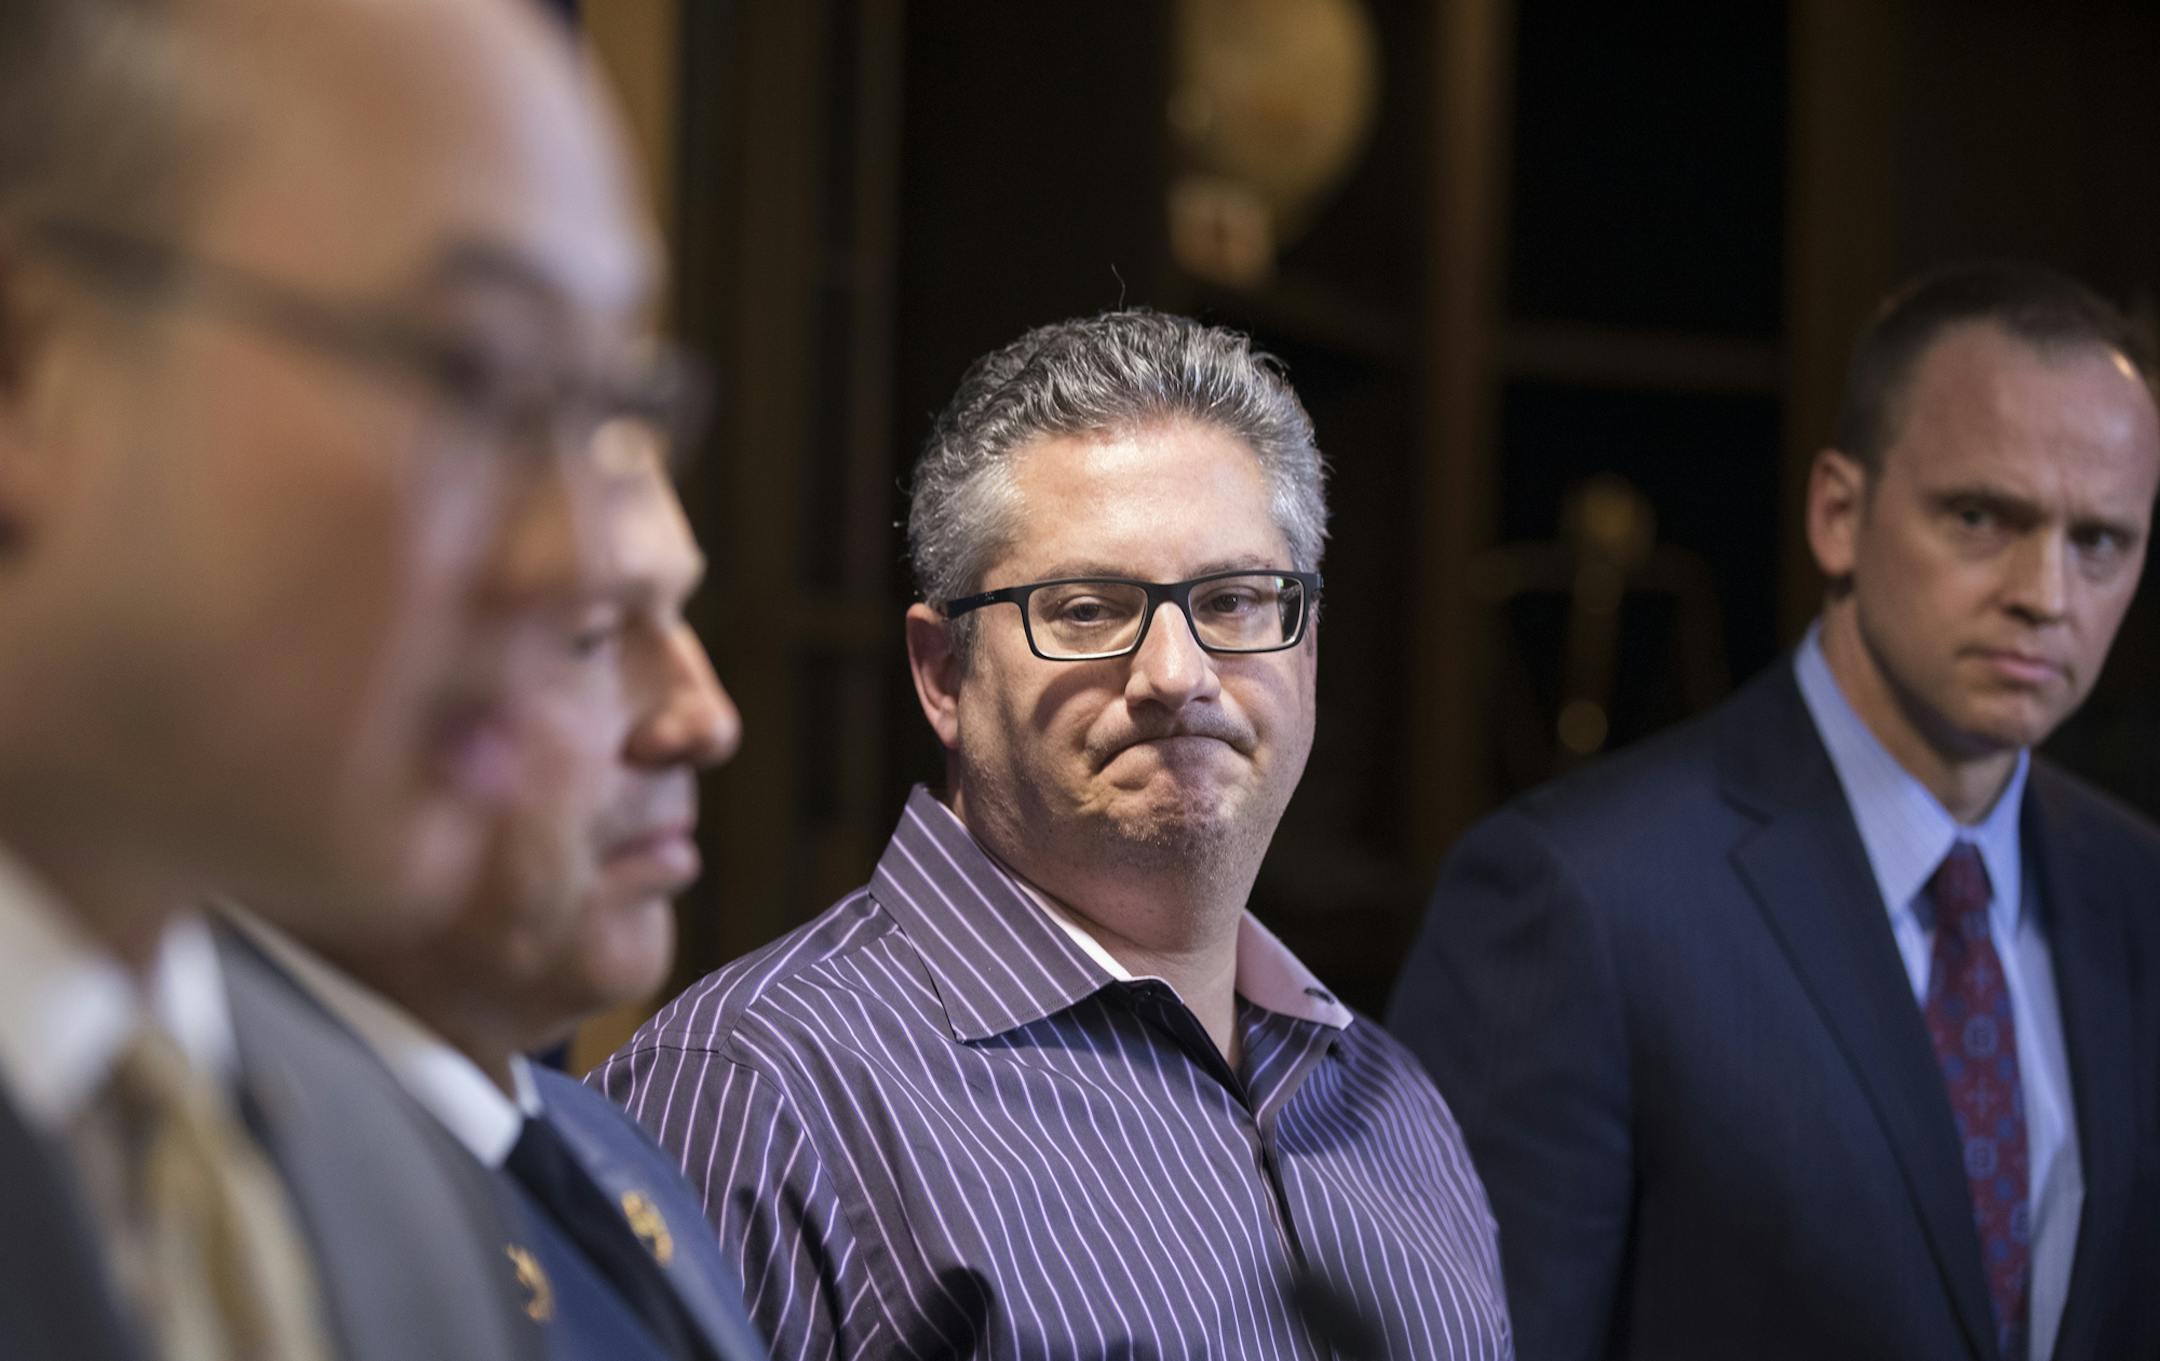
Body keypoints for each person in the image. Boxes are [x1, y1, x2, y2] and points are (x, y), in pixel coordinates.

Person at [600, 310, 1514, 1361]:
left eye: (1233, 598)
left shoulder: (1394, 1102)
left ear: (1304, 645)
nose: (1176, 672)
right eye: (1086, 609)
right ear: (945, 672)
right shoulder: (758, 1088)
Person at [0, 0, 664, 1356]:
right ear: (25, 367)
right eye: (478, 375)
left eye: (609, 409)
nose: (579, 560)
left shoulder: (390, 1183)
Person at [1387, 262, 2160, 1361]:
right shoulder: (1584, 895)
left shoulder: (2138, 892)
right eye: (1983, 515)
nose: (2047, 591)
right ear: (1839, 513)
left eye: (2101, 541)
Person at [232, 439, 769, 1361]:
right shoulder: (204, 1199)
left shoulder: (603, 1144)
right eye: (593, 635)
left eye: (682, 616)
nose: (704, 716)